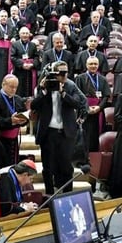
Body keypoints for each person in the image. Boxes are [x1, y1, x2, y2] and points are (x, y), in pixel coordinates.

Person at [31, 60, 87, 194]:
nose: (63, 76)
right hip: (48, 132)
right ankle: (49, 194)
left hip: (66, 132)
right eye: (60, 73)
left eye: (65, 72)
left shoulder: (70, 85)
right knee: (48, 167)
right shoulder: (44, 85)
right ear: (53, 73)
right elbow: (34, 105)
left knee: (66, 167)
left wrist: (63, 94)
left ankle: (68, 194)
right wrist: (44, 91)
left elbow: (79, 103)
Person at [0, 74, 29, 164]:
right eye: (11, 87)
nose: (14, 89)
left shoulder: (18, 99)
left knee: (13, 164)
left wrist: (24, 120)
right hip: (0, 138)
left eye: (16, 87)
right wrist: (10, 121)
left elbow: (25, 116)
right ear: (3, 84)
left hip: (14, 140)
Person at [74, 56, 111, 153]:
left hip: (98, 111)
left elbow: (106, 96)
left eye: (95, 64)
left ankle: (95, 157)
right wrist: (87, 107)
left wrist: (99, 107)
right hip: (84, 111)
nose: (93, 66)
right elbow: (77, 95)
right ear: (86, 65)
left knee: (96, 134)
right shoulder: (80, 78)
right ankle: (83, 158)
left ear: (98, 65)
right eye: (91, 64)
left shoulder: (102, 79)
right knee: (84, 134)